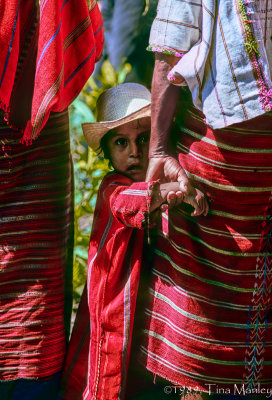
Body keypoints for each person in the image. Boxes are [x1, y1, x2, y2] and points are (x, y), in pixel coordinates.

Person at [134, 1, 272, 399]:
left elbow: (169, 53)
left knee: (203, 310)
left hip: (220, 154)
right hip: (231, 168)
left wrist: (159, 151)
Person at [60, 82, 207, 400]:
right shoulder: (113, 188)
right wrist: (174, 191)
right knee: (108, 371)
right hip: (116, 304)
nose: (135, 151)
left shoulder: (159, 178)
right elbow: (131, 202)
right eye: (121, 142)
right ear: (107, 152)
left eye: (143, 139)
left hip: (149, 308)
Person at [0, 1, 103, 399]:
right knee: (37, 284)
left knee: (36, 279)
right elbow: (86, 41)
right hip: (38, 127)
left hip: (37, 142)